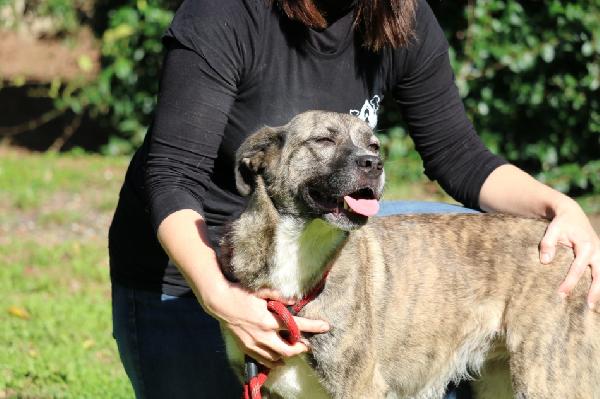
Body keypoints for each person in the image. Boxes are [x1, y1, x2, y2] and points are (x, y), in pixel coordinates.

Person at [108, 0, 600, 397]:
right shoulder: (224, 13)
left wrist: (559, 207)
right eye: (324, 144)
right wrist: (221, 298)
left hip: (318, 251)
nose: (367, 160)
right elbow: (172, 173)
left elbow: (458, 155)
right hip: (188, 272)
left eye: (371, 149)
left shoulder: (400, 16)